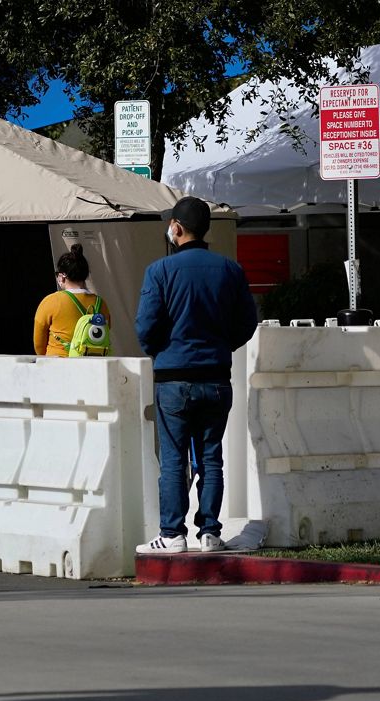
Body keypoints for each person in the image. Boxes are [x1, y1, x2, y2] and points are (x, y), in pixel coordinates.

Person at [134, 196, 257, 554]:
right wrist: (221, 346)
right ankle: (210, 533)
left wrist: (162, 350)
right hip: (217, 376)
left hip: (173, 378)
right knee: (210, 456)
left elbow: (146, 327)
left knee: (174, 458)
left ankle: (172, 534)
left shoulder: (160, 271)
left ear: (176, 227)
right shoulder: (230, 270)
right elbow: (246, 324)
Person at [33, 243, 111, 357]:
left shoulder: (50, 302)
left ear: (62, 276)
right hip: (92, 366)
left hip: (59, 364)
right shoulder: (101, 303)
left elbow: (39, 345)